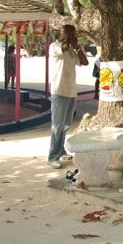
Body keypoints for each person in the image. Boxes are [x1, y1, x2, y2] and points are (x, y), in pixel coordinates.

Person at [48, 25, 89, 169]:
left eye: (73, 34)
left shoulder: (72, 50)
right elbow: (63, 48)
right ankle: (53, 156)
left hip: (71, 91)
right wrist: (69, 42)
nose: (71, 36)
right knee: (57, 125)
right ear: (61, 34)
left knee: (66, 124)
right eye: (68, 34)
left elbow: (84, 62)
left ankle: (61, 150)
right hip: (59, 91)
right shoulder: (55, 46)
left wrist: (77, 47)